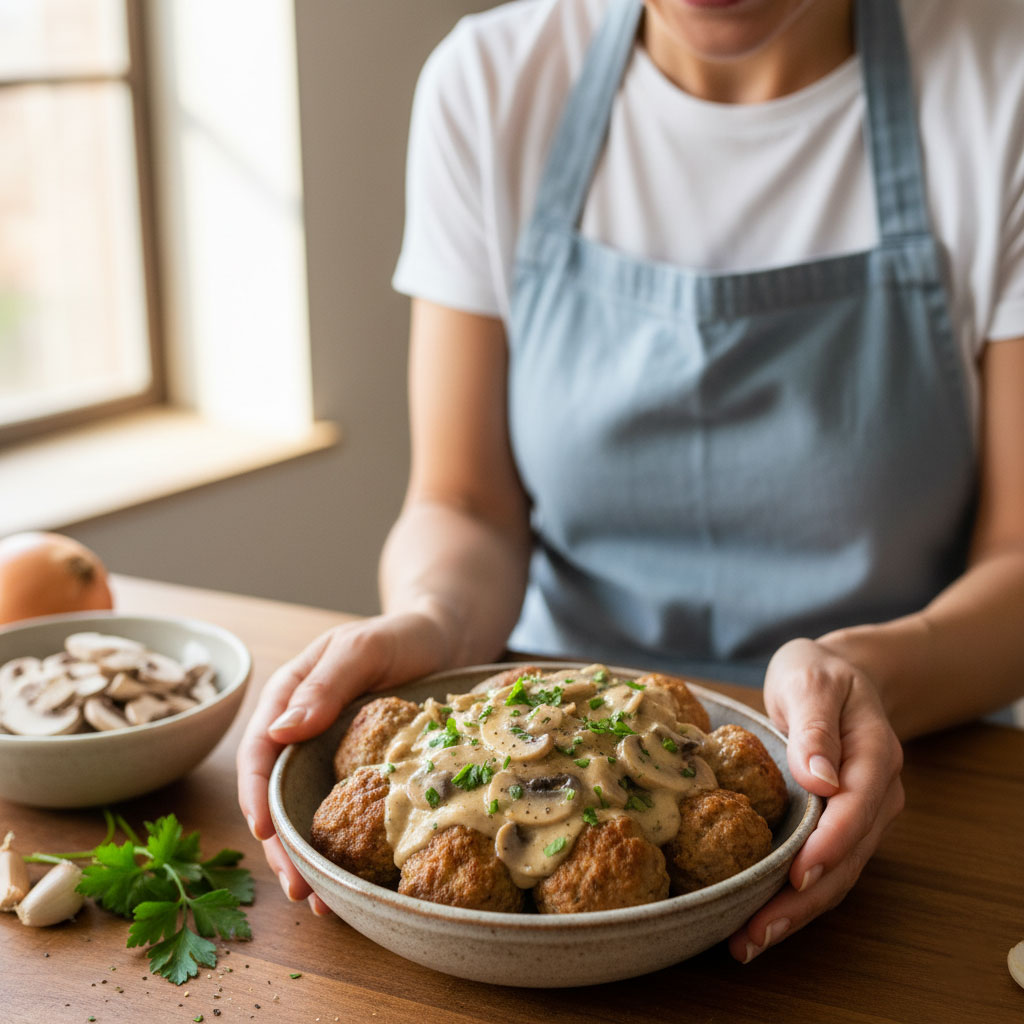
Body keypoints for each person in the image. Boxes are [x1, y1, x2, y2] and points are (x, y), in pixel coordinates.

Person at [238, 0, 1024, 963]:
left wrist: (867, 676)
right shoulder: (491, 85)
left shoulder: (1000, 89)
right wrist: (431, 622)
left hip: (909, 776)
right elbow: (465, 505)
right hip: (521, 737)